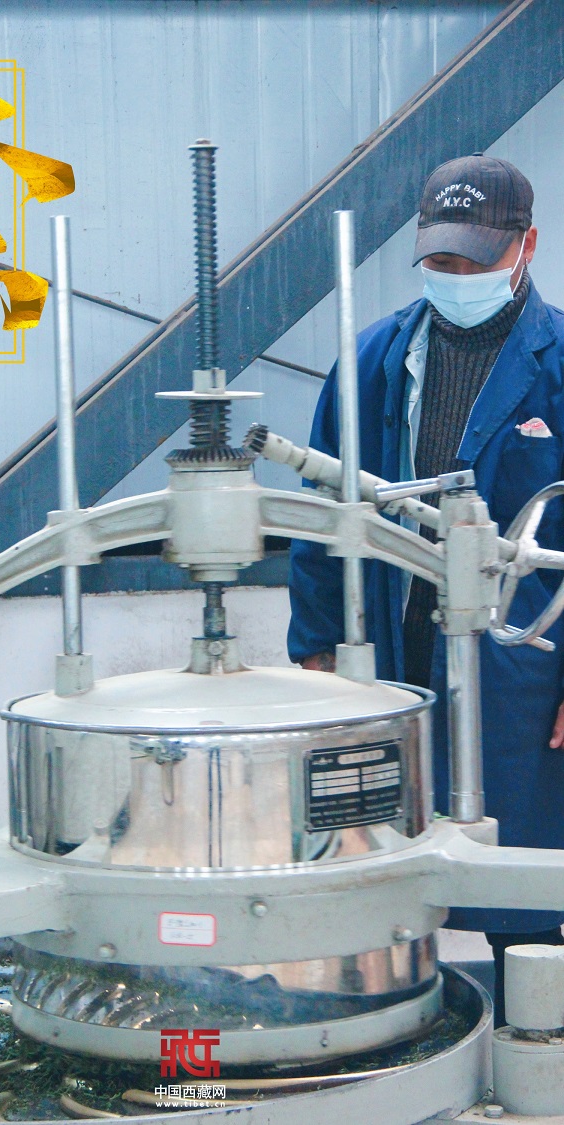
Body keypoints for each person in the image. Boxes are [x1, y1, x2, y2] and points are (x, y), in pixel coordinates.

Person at [288, 154, 564, 1026]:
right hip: (391, 649)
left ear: (526, 246)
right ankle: (393, 1025)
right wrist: (316, 648)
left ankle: (535, 1034)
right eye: (440, 259)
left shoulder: (561, 363)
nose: (455, 276)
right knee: (382, 851)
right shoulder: (373, 359)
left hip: (524, 660)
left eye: (475, 260)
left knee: (523, 862)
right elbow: (323, 511)